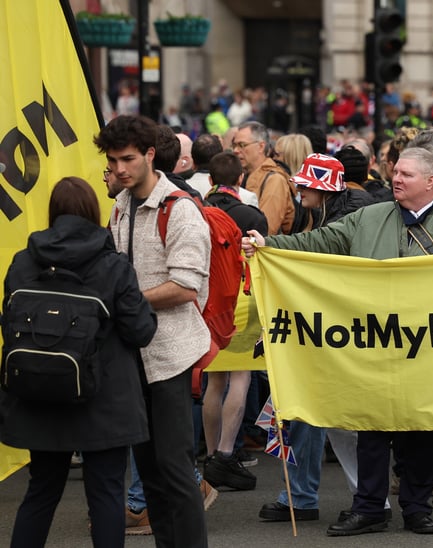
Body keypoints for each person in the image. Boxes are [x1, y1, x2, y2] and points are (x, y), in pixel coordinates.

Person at [241, 147, 433, 537]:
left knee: (420, 430)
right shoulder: (368, 217)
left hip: (430, 346)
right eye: (395, 173)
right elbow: (321, 241)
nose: (396, 180)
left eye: (406, 174)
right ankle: (369, 508)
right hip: (374, 345)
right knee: (371, 427)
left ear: (431, 181)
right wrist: (269, 246)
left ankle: (417, 508)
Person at [2, 177, 157, 548]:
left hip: (39, 394)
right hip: (105, 397)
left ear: (53, 213)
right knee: (105, 494)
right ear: (92, 212)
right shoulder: (113, 265)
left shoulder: (23, 261)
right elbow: (141, 332)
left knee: (41, 491)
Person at [95, 114, 211, 548]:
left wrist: (125, 301)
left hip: (171, 355)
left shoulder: (180, 209)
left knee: (176, 469)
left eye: (127, 159)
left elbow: (185, 286)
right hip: (132, 356)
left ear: (148, 155)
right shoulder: (121, 204)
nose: (119, 169)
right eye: (112, 160)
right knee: (149, 470)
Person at [258, 153, 378, 524]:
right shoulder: (321, 212)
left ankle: (366, 499)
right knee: (308, 412)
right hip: (326, 328)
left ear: (321, 188)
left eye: (305, 183)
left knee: (338, 418)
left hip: (341, 329)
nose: (297, 187)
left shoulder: (342, 217)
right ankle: (306, 496)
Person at [201, 151, 267, 492]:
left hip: (212, 300)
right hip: (244, 296)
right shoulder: (251, 215)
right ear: (240, 180)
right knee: (241, 377)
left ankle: (211, 454)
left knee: (215, 380)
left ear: (210, 180)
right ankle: (227, 452)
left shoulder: (196, 209)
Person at [235, 121, 296, 235]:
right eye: (235, 145)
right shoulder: (245, 176)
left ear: (261, 147)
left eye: (242, 145)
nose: (236, 150)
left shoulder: (275, 180)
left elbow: (266, 230)